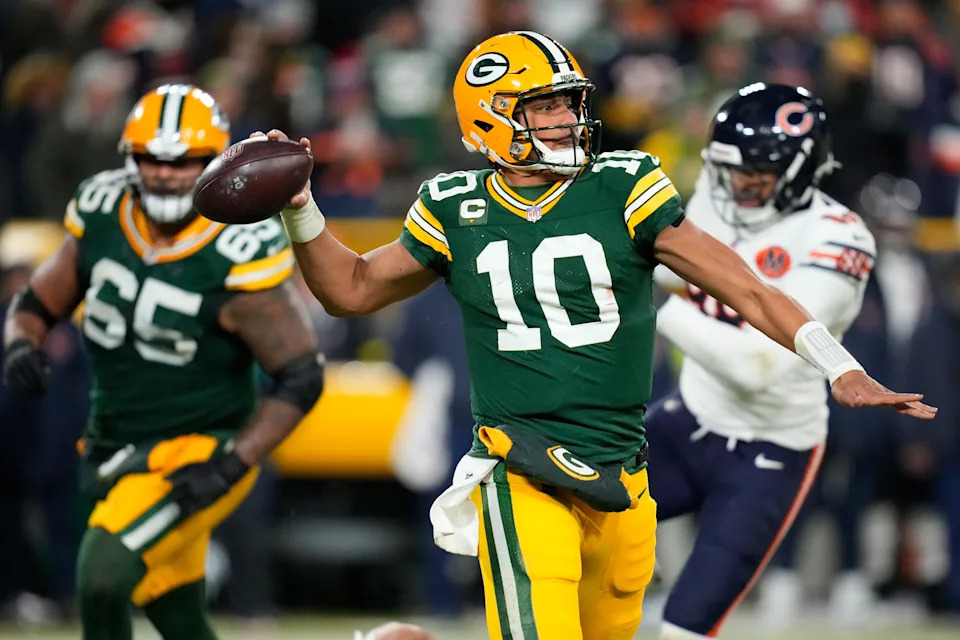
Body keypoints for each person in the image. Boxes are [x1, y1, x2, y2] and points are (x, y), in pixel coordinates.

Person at [264, 34, 935, 640]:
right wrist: (302, 209)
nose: (565, 119)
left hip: (626, 474)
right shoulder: (453, 206)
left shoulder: (626, 184)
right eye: (544, 107)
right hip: (520, 467)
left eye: (568, 103)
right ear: (490, 115)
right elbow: (349, 289)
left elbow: (749, 288)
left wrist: (837, 366)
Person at [1, 84, 324, 640]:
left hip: (200, 449)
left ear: (216, 162)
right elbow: (36, 302)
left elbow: (300, 375)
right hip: (114, 441)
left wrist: (231, 464)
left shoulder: (236, 245)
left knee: (101, 575)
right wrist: (20, 344)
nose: (168, 174)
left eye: (187, 161)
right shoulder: (102, 209)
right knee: (173, 610)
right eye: (153, 158)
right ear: (131, 158)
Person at [643, 83, 897, 639]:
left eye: (754, 171)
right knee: (573, 528)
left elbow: (758, 364)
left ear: (801, 168)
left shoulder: (837, 236)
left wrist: (656, 308)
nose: (735, 182)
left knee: (682, 629)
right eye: (729, 167)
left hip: (770, 451)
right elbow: (665, 272)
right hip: (687, 419)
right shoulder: (715, 192)